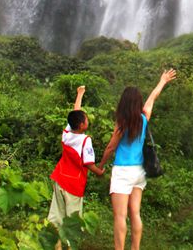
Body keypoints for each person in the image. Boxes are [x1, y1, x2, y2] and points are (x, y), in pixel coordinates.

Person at [99, 68, 177, 250]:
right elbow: (153, 97)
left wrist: (101, 165)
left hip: (123, 171)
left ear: (123, 103)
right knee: (135, 213)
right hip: (139, 172)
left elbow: (111, 147)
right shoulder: (144, 118)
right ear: (138, 102)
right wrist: (163, 80)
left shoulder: (122, 123)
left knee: (120, 216)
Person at [48, 85, 104, 243]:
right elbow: (88, 163)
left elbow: (75, 113)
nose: (87, 119)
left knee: (57, 214)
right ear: (82, 125)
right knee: (72, 220)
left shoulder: (67, 134)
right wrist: (99, 172)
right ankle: (69, 244)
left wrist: (80, 94)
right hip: (73, 183)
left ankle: (54, 243)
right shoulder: (85, 140)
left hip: (60, 179)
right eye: (86, 118)